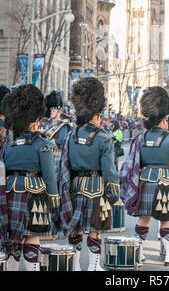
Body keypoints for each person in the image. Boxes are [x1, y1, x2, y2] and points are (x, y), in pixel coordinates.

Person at [58, 77, 120, 271]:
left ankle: (75, 266)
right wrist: (114, 194)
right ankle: (94, 267)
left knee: (76, 230)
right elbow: (109, 170)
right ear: (97, 114)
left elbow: (64, 165)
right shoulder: (104, 137)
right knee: (95, 230)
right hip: (97, 190)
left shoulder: (71, 135)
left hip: (75, 189)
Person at [122, 87, 169, 267]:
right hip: (165, 181)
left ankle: (139, 253)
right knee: (166, 220)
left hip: (144, 181)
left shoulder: (140, 138)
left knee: (144, 219)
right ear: (164, 119)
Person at [0, 84, 59, 271]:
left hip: (10, 193)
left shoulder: (7, 144)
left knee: (13, 239)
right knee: (33, 237)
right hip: (35, 195)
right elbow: (49, 176)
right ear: (35, 120)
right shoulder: (42, 143)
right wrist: (54, 201)